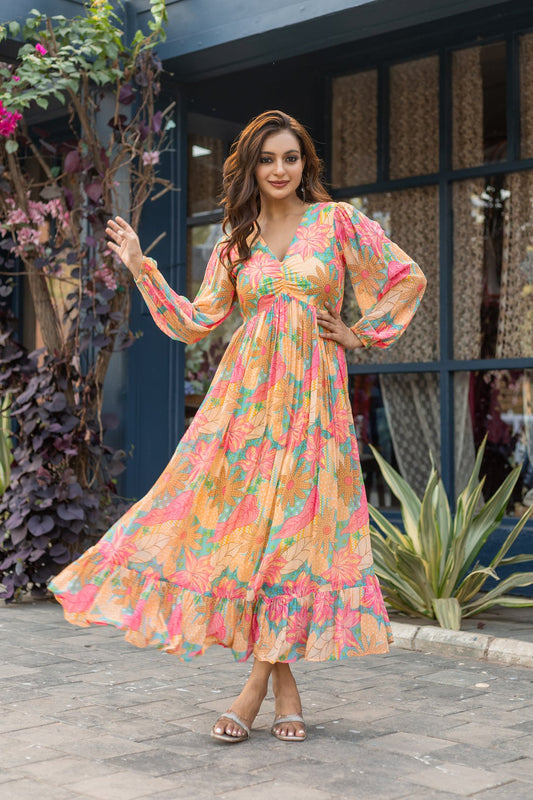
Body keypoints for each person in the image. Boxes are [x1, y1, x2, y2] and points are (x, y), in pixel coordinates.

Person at [47, 109, 427, 744]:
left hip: (313, 407)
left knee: (292, 539)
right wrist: (143, 265)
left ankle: (253, 689)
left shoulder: (337, 223)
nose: (281, 170)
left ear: (306, 163)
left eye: (292, 158)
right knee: (243, 534)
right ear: (252, 166)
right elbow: (198, 320)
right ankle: (281, 687)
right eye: (268, 159)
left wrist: (358, 332)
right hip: (246, 407)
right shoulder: (235, 241)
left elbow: (405, 277)